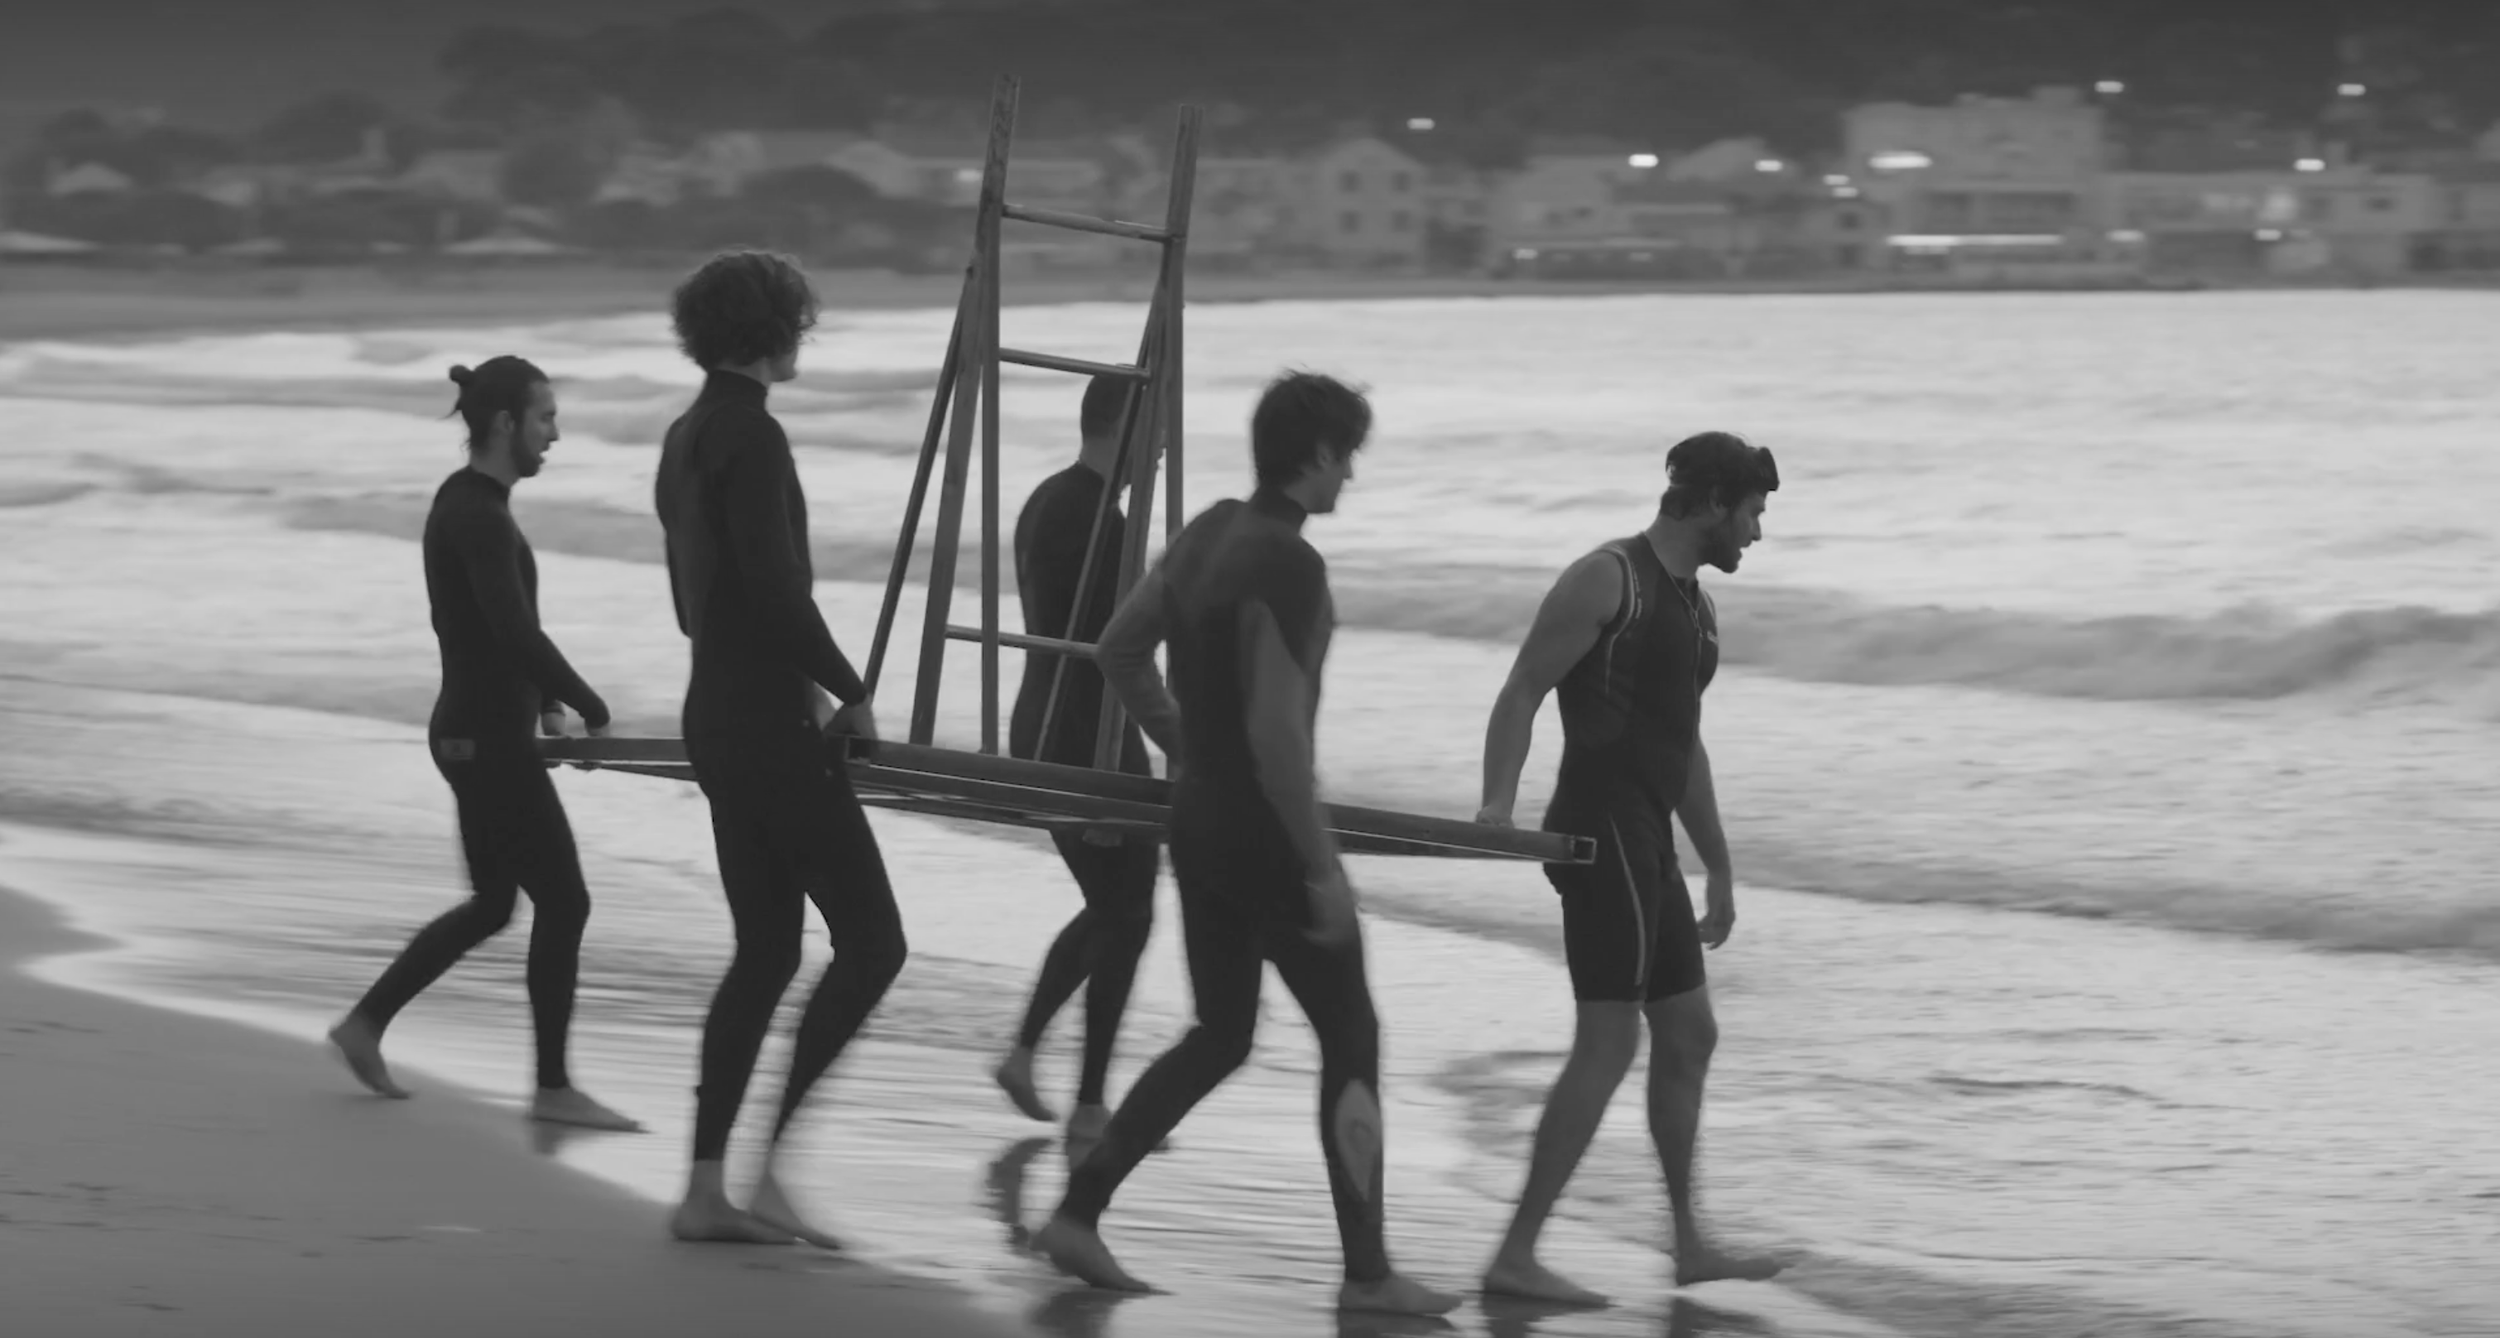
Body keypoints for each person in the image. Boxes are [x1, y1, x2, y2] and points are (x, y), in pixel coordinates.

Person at [1030, 372, 1460, 1318]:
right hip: (1265, 833)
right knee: (1351, 1033)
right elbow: (1276, 735)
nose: (1351, 474)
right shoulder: (1290, 564)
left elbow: (1119, 649)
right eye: (1347, 455)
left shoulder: (1208, 530)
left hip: (1198, 819)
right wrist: (1319, 865)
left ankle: (1076, 1213)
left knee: (1221, 1033)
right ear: (1315, 455)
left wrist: (1183, 743)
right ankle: (1369, 1273)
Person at [1475, 431, 1786, 1305]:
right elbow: (1522, 688)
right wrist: (1496, 805)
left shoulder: (1696, 609)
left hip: (1647, 839)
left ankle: (1689, 1242)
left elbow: (1680, 746)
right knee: (1609, 1042)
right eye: (1754, 512)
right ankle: (1516, 1254)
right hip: (1597, 830)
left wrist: (1717, 865)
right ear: (1715, 501)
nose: (1757, 534)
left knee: (1689, 1035)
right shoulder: (1606, 578)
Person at [653, 250, 906, 1248]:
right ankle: (764, 1173)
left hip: (712, 713)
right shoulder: (752, 437)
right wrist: (850, 694)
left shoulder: (684, 434)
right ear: (776, 329)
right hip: (765, 722)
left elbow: (696, 600)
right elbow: (774, 590)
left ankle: (708, 1188)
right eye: (800, 320)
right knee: (873, 943)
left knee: (765, 950)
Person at [327, 357, 640, 1135]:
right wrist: (593, 708)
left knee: (498, 903)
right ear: (506, 424)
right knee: (564, 901)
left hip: (475, 729)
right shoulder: (479, 515)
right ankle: (554, 1087)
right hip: (482, 736)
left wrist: (546, 707)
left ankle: (364, 1025)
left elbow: (487, 633)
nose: (555, 434)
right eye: (545, 418)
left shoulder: (468, 503)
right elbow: (511, 632)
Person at [991, 374, 1161, 1158]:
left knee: (1115, 905)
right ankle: (1089, 1102)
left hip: (1051, 720)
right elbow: (1120, 645)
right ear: (1122, 425)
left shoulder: (1048, 498)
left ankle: (1028, 1057)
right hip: (1085, 732)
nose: (1160, 446)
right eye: (1152, 429)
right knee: (1127, 909)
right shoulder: (1101, 521)